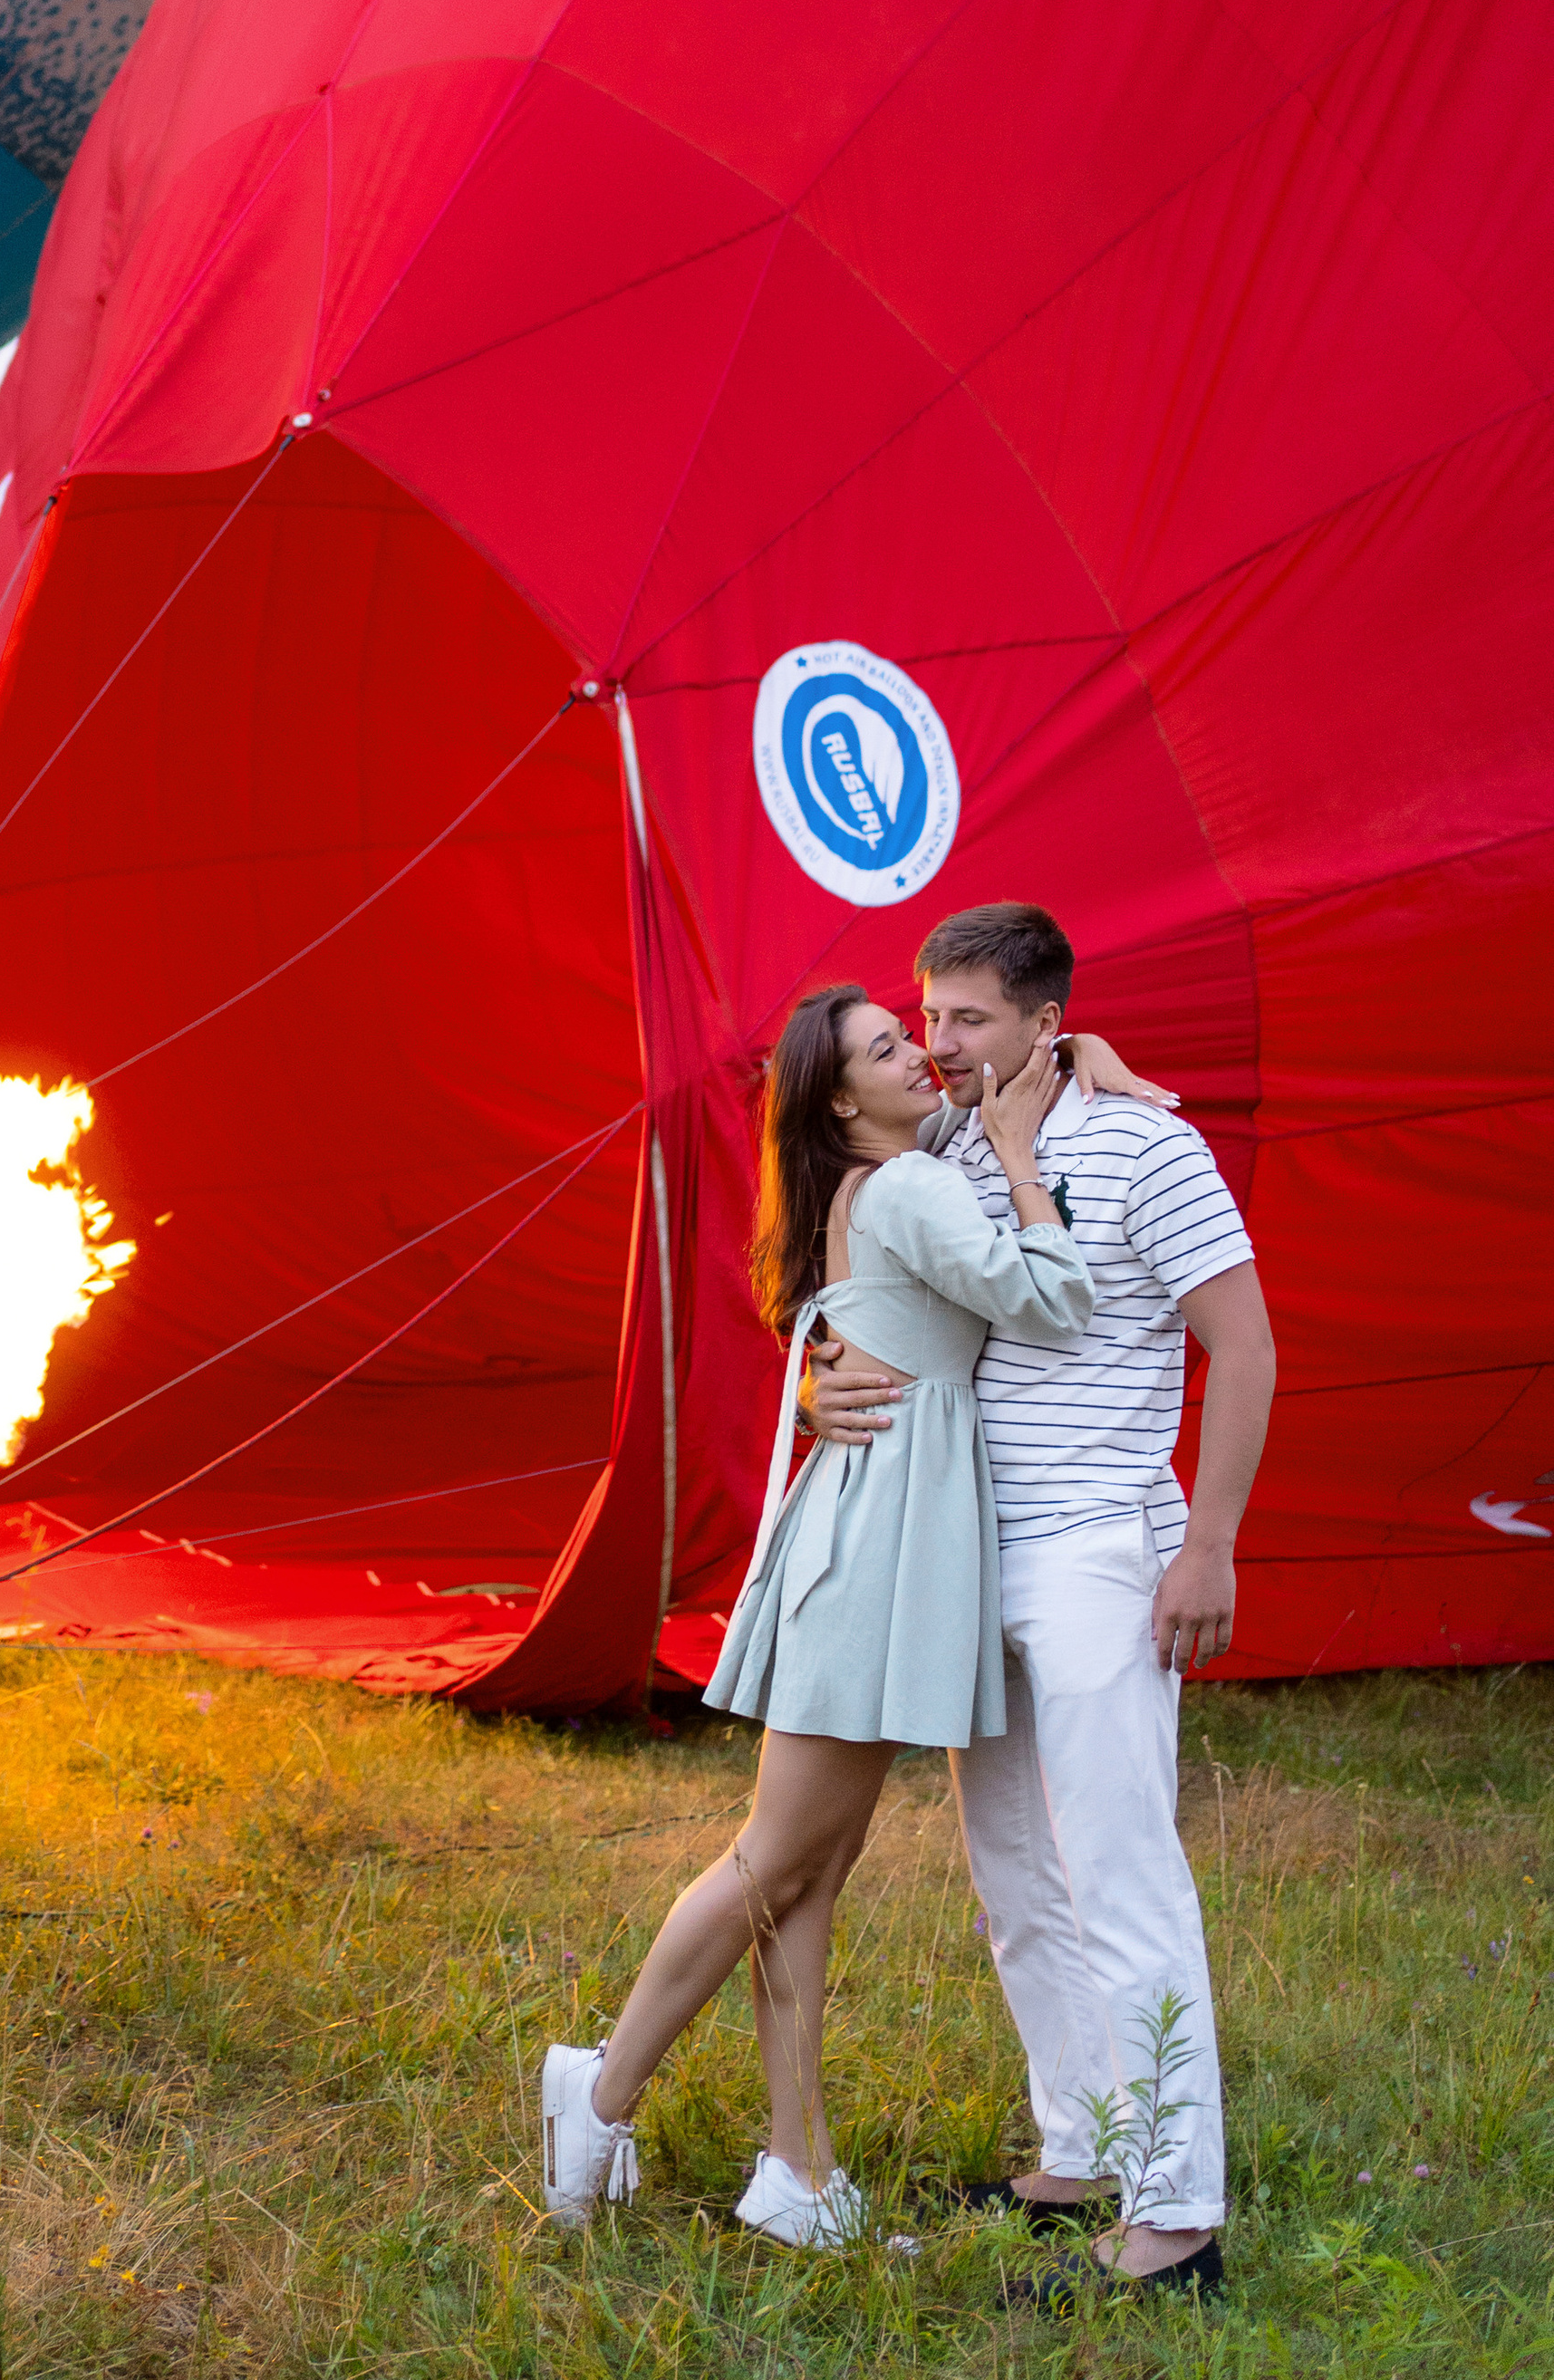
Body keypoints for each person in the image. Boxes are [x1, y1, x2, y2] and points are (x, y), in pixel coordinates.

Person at [540, 988, 1096, 2246]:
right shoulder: (906, 1186)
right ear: (841, 1100)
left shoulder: (885, 1179)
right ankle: (602, 2090)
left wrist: (1067, 1065)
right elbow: (1051, 1302)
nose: (922, 1053)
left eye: (919, 1034)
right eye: (890, 1047)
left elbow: (853, 1318)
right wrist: (1022, 1165)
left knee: (810, 1871)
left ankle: (798, 2174)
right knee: (774, 1859)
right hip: (878, 1553)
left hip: (879, 1537)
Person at [806, 901, 1276, 2301]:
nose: (938, 1045)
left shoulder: (1151, 1143)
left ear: (1045, 1024)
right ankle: (1079, 2158)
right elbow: (870, 1296)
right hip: (966, 1548)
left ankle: (1179, 2216)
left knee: (1120, 1872)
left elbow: (1245, 1347)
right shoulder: (945, 1140)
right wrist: (822, 1382)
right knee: (1016, 1875)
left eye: (969, 1022)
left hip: (1098, 1549)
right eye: (928, 1017)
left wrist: (1211, 1547)